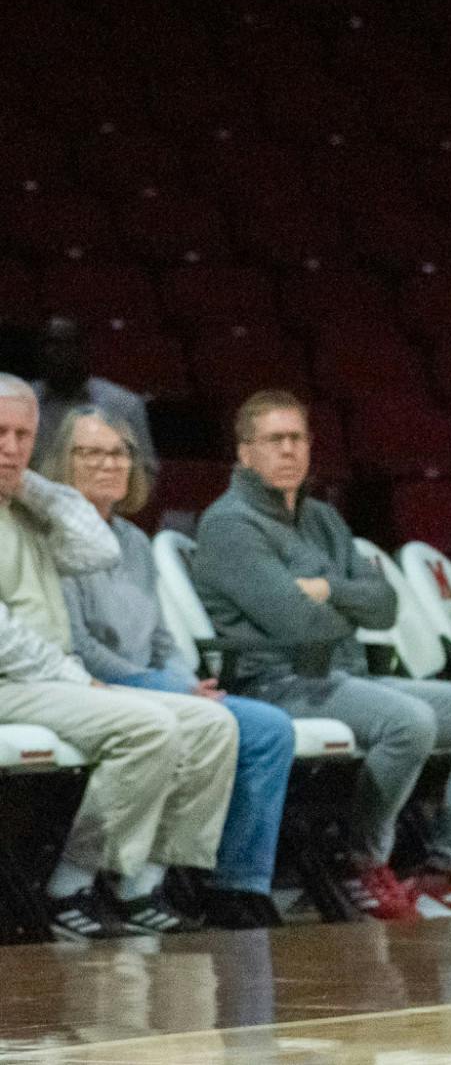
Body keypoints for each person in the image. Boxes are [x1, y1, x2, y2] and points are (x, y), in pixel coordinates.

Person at [192, 390, 451, 920]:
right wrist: (345, 602)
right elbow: (296, 623)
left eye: (297, 438)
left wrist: (325, 590)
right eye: (274, 440)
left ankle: (447, 871)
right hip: (277, 686)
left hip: (347, 679)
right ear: (244, 453)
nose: (289, 451)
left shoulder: (323, 518)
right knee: (409, 721)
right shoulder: (229, 525)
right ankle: (361, 862)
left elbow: (386, 605)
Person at [40, 406, 298, 929]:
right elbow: (77, 644)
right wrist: (162, 687)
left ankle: (232, 883)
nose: (109, 464)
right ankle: (124, 881)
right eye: (91, 452)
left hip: (151, 681)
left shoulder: (134, 541)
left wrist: (182, 681)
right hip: (93, 681)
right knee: (217, 723)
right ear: (62, 463)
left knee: (270, 729)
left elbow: (160, 636)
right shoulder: (52, 535)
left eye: (119, 453)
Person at [0, 373, 237, 939]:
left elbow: (97, 547)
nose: (10, 448)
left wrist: (31, 486)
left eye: (22, 436)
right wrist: (74, 678)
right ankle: (68, 888)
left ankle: (140, 884)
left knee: (213, 725)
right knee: (149, 726)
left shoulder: (28, 505)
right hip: (15, 681)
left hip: (49, 684)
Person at [30, 318, 158, 480]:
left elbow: (145, 472)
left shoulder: (124, 405)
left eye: (68, 344)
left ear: (85, 349)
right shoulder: (18, 402)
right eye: (50, 344)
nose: (58, 352)